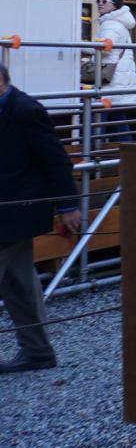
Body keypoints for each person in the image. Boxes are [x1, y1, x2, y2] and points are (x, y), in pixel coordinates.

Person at [0, 62, 81, 372]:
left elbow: (56, 160)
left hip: (15, 210)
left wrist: (67, 206)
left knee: (16, 282)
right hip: (11, 212)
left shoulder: (24, 110)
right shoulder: (17, 108)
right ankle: (37, 351)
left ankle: (37, 351)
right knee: (17, 283)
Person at [92, 0, 136, 145]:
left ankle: (90, 154)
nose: (100, 3)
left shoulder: (110, 24)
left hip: (110, 80)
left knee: (96, 118)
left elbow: (106, 48)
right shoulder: (120, 23)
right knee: (118, 119)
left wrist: (83, 47)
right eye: (98, 1)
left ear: (114, 6)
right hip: (119, 79)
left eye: (104, 1)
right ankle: (128, 152)